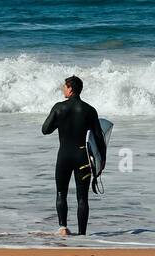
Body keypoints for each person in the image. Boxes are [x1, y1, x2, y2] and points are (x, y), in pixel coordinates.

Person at [41, 75, 106, 236]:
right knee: (82, 198)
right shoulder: (89, 110)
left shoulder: (59, 107)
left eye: (64, 86)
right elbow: (99, 138)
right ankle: (82, 234)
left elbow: (45, 130)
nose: (63, 89)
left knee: (61, 193)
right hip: (82, 157)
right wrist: (102, 160)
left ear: (70, 88)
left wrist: (59, 121)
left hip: (64, 156)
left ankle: (63, 228)